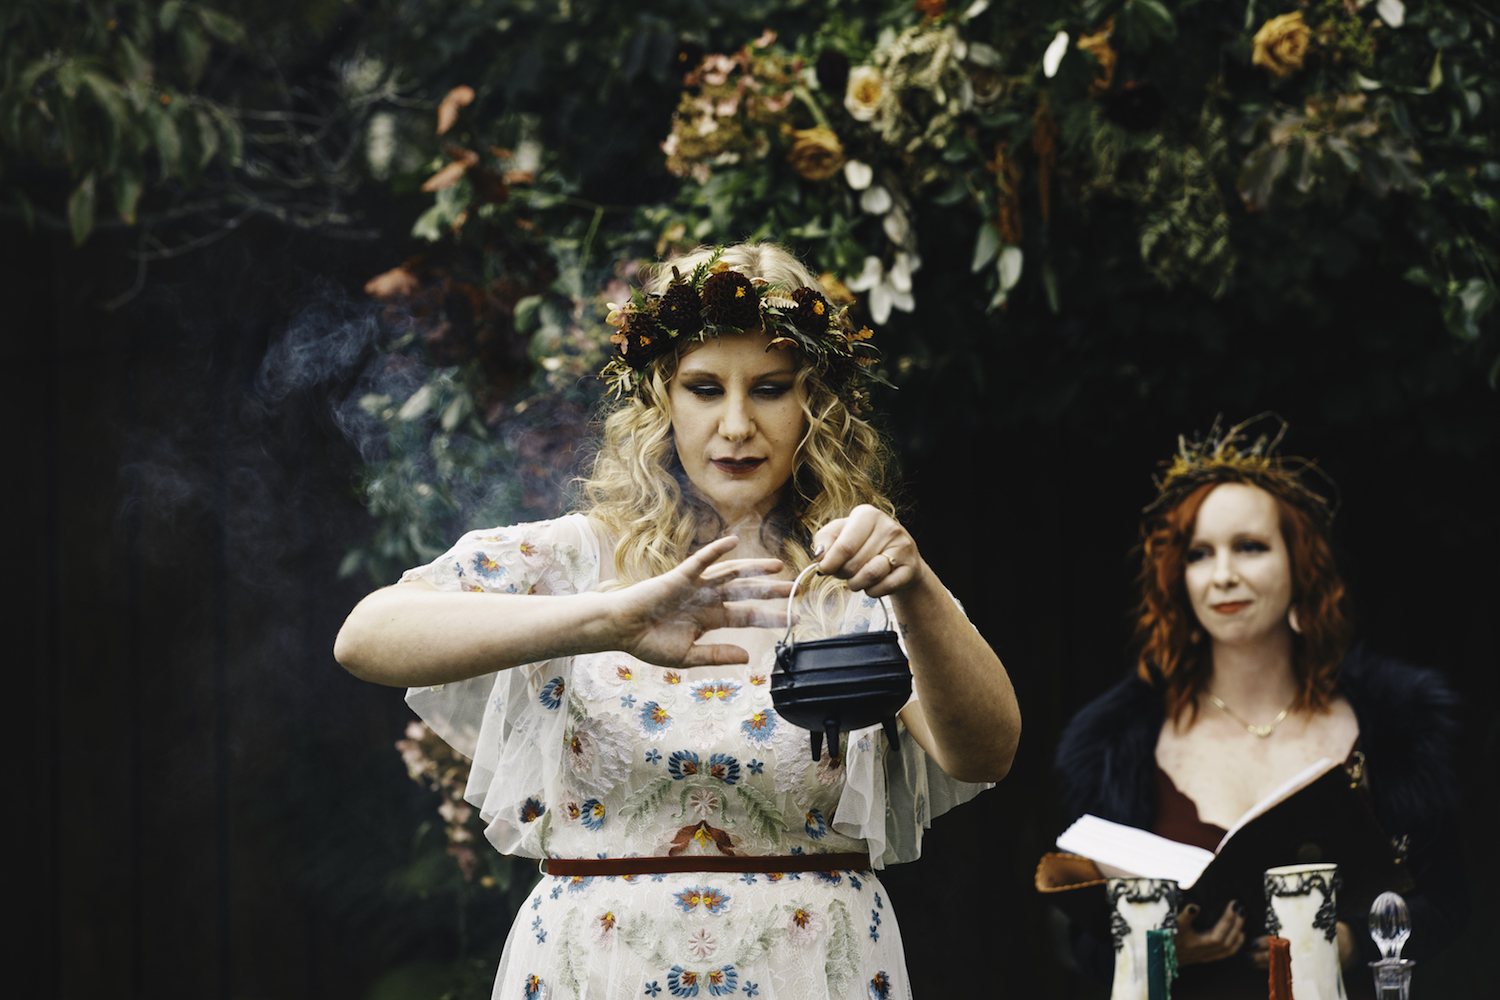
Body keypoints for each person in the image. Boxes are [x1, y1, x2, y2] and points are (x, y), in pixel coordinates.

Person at [335, 242, 1020, 1000]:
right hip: (596, 971)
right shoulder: (573, 557)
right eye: (703, 387)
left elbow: (985, 752)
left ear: (814, 404)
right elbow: (366, 637)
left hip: (810, 970)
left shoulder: (860, 570)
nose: (735, 425)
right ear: (661, 397)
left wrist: (915, 585)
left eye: (769, 388)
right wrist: (606, 621)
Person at [1053, 417, 1467, 998]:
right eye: (1200, 553)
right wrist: (1165, 947)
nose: (1223, 576)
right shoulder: (1114, 743)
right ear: (1180, 576)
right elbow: (1087, 942)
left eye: (1250, 547)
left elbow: (1448, 903)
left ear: (1301, 566)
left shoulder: (1396, 726)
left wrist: (1344, 943)